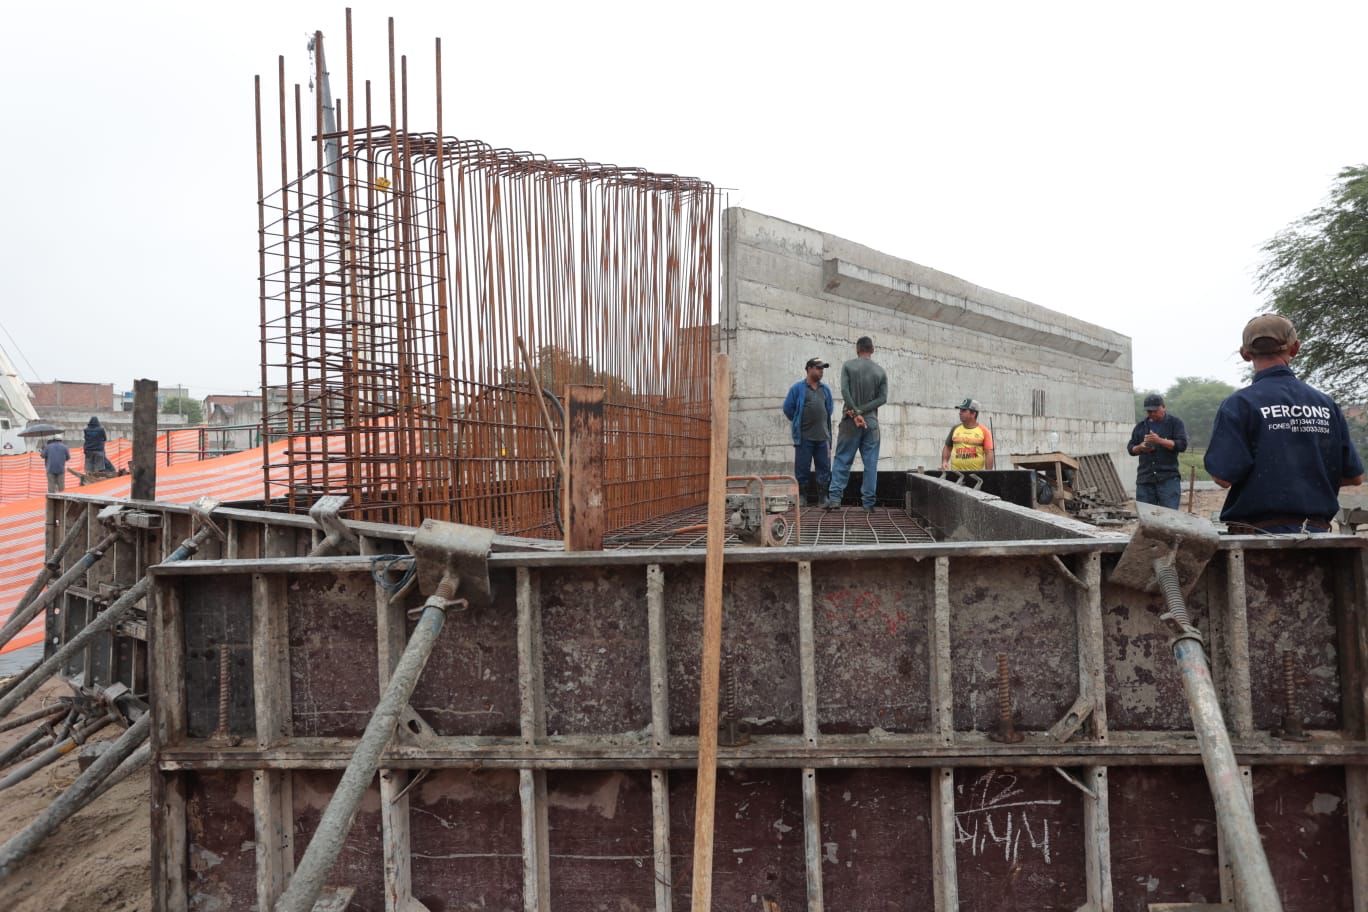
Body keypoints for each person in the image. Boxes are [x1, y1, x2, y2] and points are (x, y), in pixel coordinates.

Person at [1205, 314, 1364, 533]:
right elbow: (1354, 477)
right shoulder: (1326, 405)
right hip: (1319, 539)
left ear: (1245, 353)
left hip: (1256, 540)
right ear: (1295, 348)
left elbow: (1223, 477)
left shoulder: (1240, 404)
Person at [825, 336, 888, 511]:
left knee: (843, 459)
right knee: (871, 463)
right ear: (872, 350)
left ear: (857, 349)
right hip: (871, 424)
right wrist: (863, 411)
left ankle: (835, 499)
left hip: (850, 420)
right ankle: (868, 503)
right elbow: (883, 398)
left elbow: (845, 391)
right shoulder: (880, 372)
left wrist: (855, 411)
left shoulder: (848, 366)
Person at [781, 357, 834, 506]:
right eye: (818, 368)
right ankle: (802, 497)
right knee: (802, 468)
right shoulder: (798, 388)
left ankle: (823, 498)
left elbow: (829, 409)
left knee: (824, 467)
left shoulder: (826, 390)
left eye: (822, 369)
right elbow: (788, 408)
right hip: (804, 437)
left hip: (823, 436)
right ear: (809, 369)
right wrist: (799, 420)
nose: (821, 371)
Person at [1127, 393, 1188, 508]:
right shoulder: (1140, 427)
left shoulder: (1175, 423)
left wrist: (1159, 440)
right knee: (1147, 516)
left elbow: (1182, 445)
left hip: (1168, 477)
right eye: (1149, 411)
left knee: (1169, 515)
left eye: (1155, 410)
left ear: (1163, 407)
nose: (1152, 414)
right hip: (1145, 478)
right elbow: (1131, 449)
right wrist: (1141, 447)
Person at [941, 398, 994, 471]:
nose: (960, 413)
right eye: (960, 410)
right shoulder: (955, 429)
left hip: (976, 476)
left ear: (973, 413)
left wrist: (988, 474)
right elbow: (947, 447)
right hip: (955, 475)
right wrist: (944, 461)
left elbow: (989, 453)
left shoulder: (984, 431)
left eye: (964, 410)